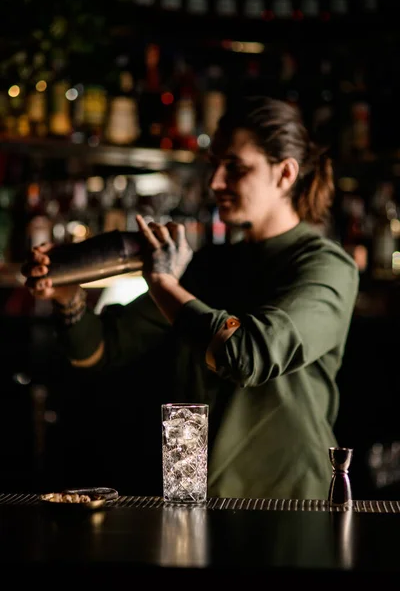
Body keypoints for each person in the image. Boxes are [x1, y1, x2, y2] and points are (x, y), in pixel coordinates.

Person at [22, 96, 359, 500]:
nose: (215, 181)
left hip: (288, 503)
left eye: (235, 167)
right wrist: (67, 294)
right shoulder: (209, 267)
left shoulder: (326, 267)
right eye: (214, 164)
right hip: (195, 498)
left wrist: (164, 282)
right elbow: (99, 349)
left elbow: (248, 355)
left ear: (285, 174)